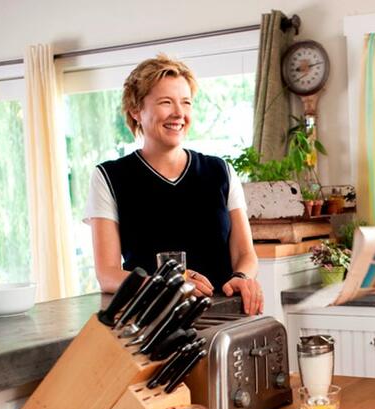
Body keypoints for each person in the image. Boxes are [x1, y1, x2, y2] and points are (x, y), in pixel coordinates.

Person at [84, 54, 263, 315]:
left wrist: (242, 276)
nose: (179, 113)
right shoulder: (109, 177)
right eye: (166, 102)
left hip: (224, 316)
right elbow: (108, 275)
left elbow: (245, 254)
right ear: (136, 111)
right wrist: (164, 286)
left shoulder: (221, 171)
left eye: (186, 103)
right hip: (153, 322)